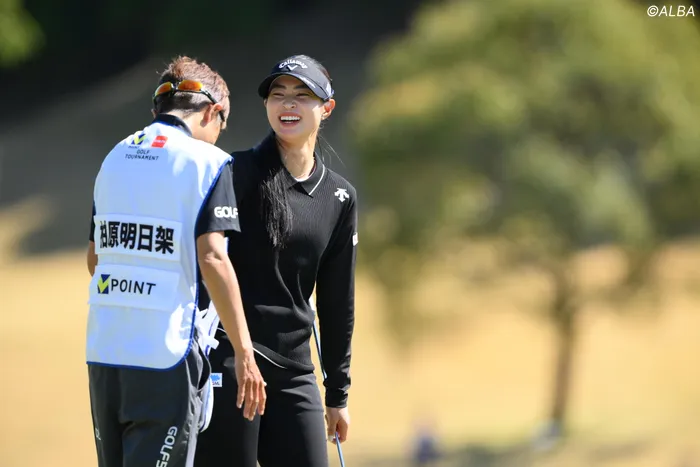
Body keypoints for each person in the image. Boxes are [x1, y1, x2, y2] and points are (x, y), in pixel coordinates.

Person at [85, 56, 266, 467]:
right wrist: (245, 352)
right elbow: (213, 258)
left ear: (159, 108)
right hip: (165, 354)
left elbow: (96, 258)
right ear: (212, 111)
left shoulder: (114, 157)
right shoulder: (209, 162)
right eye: (222, 126)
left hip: (104, 349)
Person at [194, 54, 358, 467]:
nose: (288, 104)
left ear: (326, 108)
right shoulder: (233, 172)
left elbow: (337, 302)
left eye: (302, 95)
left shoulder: (339, 197)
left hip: (294, 371)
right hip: (231, 358)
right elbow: (205, 262)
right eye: (278, 94)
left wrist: (337, 394)